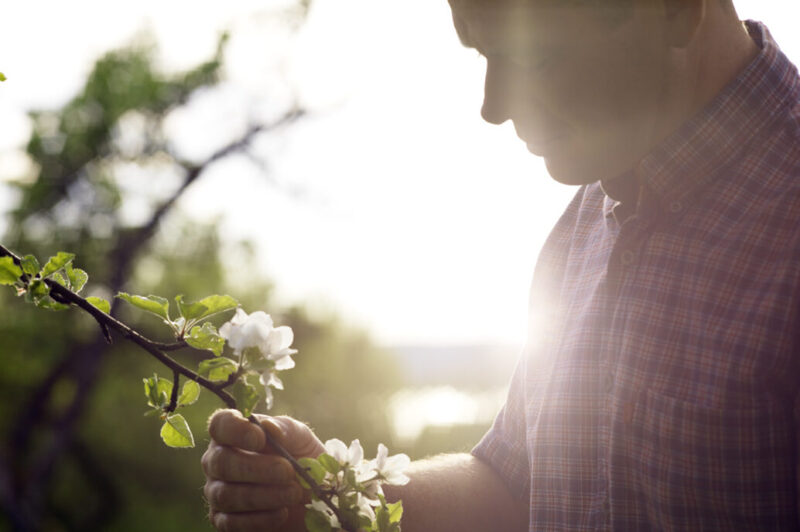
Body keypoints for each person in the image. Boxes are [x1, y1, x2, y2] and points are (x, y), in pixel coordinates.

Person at [202, 0, 800, 529]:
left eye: (535, 55)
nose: (491, 106)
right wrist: (324, 490)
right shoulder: (587, 222)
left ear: (673, 8)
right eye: (484, 52)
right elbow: (518, 487)